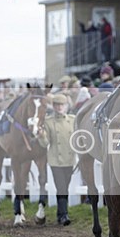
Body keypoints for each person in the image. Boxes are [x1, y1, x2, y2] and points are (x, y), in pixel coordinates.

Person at [36, 93, 77, 225]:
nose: (59, 107)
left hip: (70, 159)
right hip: (56, 161)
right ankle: (64, 215)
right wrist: (41, 135)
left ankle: (60, 214)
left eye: (62, 105)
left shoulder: (73, 120)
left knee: (66, 186)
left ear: (66, 106)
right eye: (57, 105)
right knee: (61, 188)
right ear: (53, 106)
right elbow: (45, 143)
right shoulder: (48, 121)